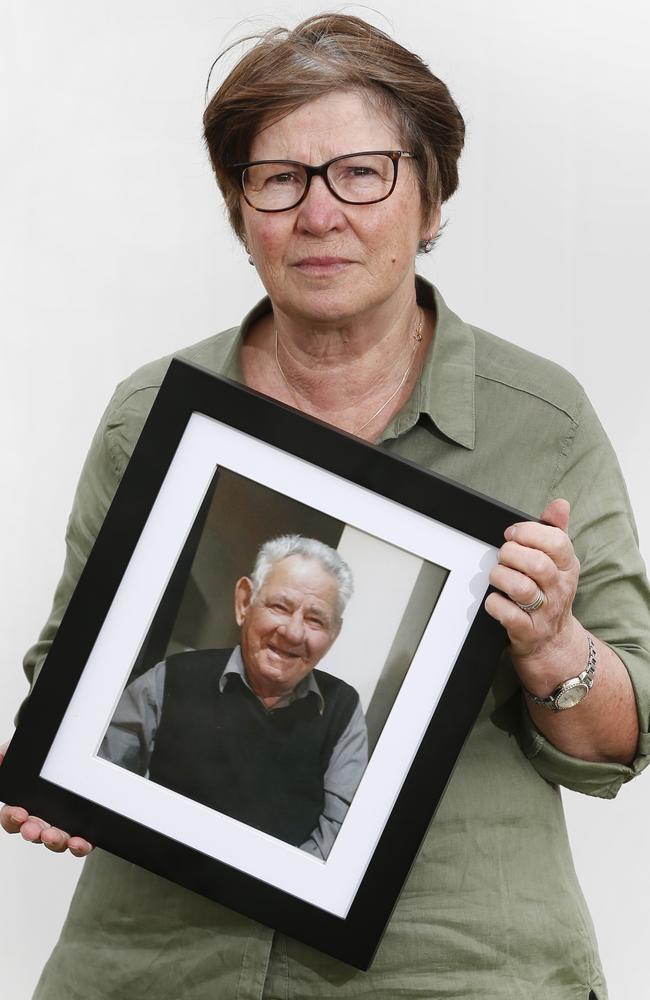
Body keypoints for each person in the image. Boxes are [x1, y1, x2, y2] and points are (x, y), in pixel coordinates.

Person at [1, 12, 648, 999]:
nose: (318, 212)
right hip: (156, 963)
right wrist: (58, 759)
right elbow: (73, 663)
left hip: (454, 968)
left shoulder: (541, 423)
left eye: (360, 172)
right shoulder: (152, 419)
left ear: (429, 202)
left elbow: (622, 735)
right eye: (278, 178)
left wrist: (555, 646)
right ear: (239, 210)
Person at [98, 534, 366, 859]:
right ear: (244, 603)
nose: (294, 632)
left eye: (315, 620)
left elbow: (337, 841)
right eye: (280, 606)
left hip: (265, 905)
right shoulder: (172, 677)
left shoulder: (343, 708)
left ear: (333, 634)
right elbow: (97, 776)